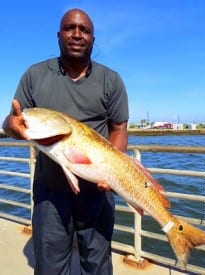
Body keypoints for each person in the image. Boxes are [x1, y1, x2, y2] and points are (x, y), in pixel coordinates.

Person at [2, 8, 129, 275]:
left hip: (98, 192)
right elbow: (13, 121)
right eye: (70, 28)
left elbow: (118, 129)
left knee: (97, 264)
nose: (77, 34)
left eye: (84, 30)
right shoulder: (35, 75)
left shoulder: (111, 80)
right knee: (49, 266)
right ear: (59, 35)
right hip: (50, 192)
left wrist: (111, 172)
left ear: (93, 40)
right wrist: (11, 126)